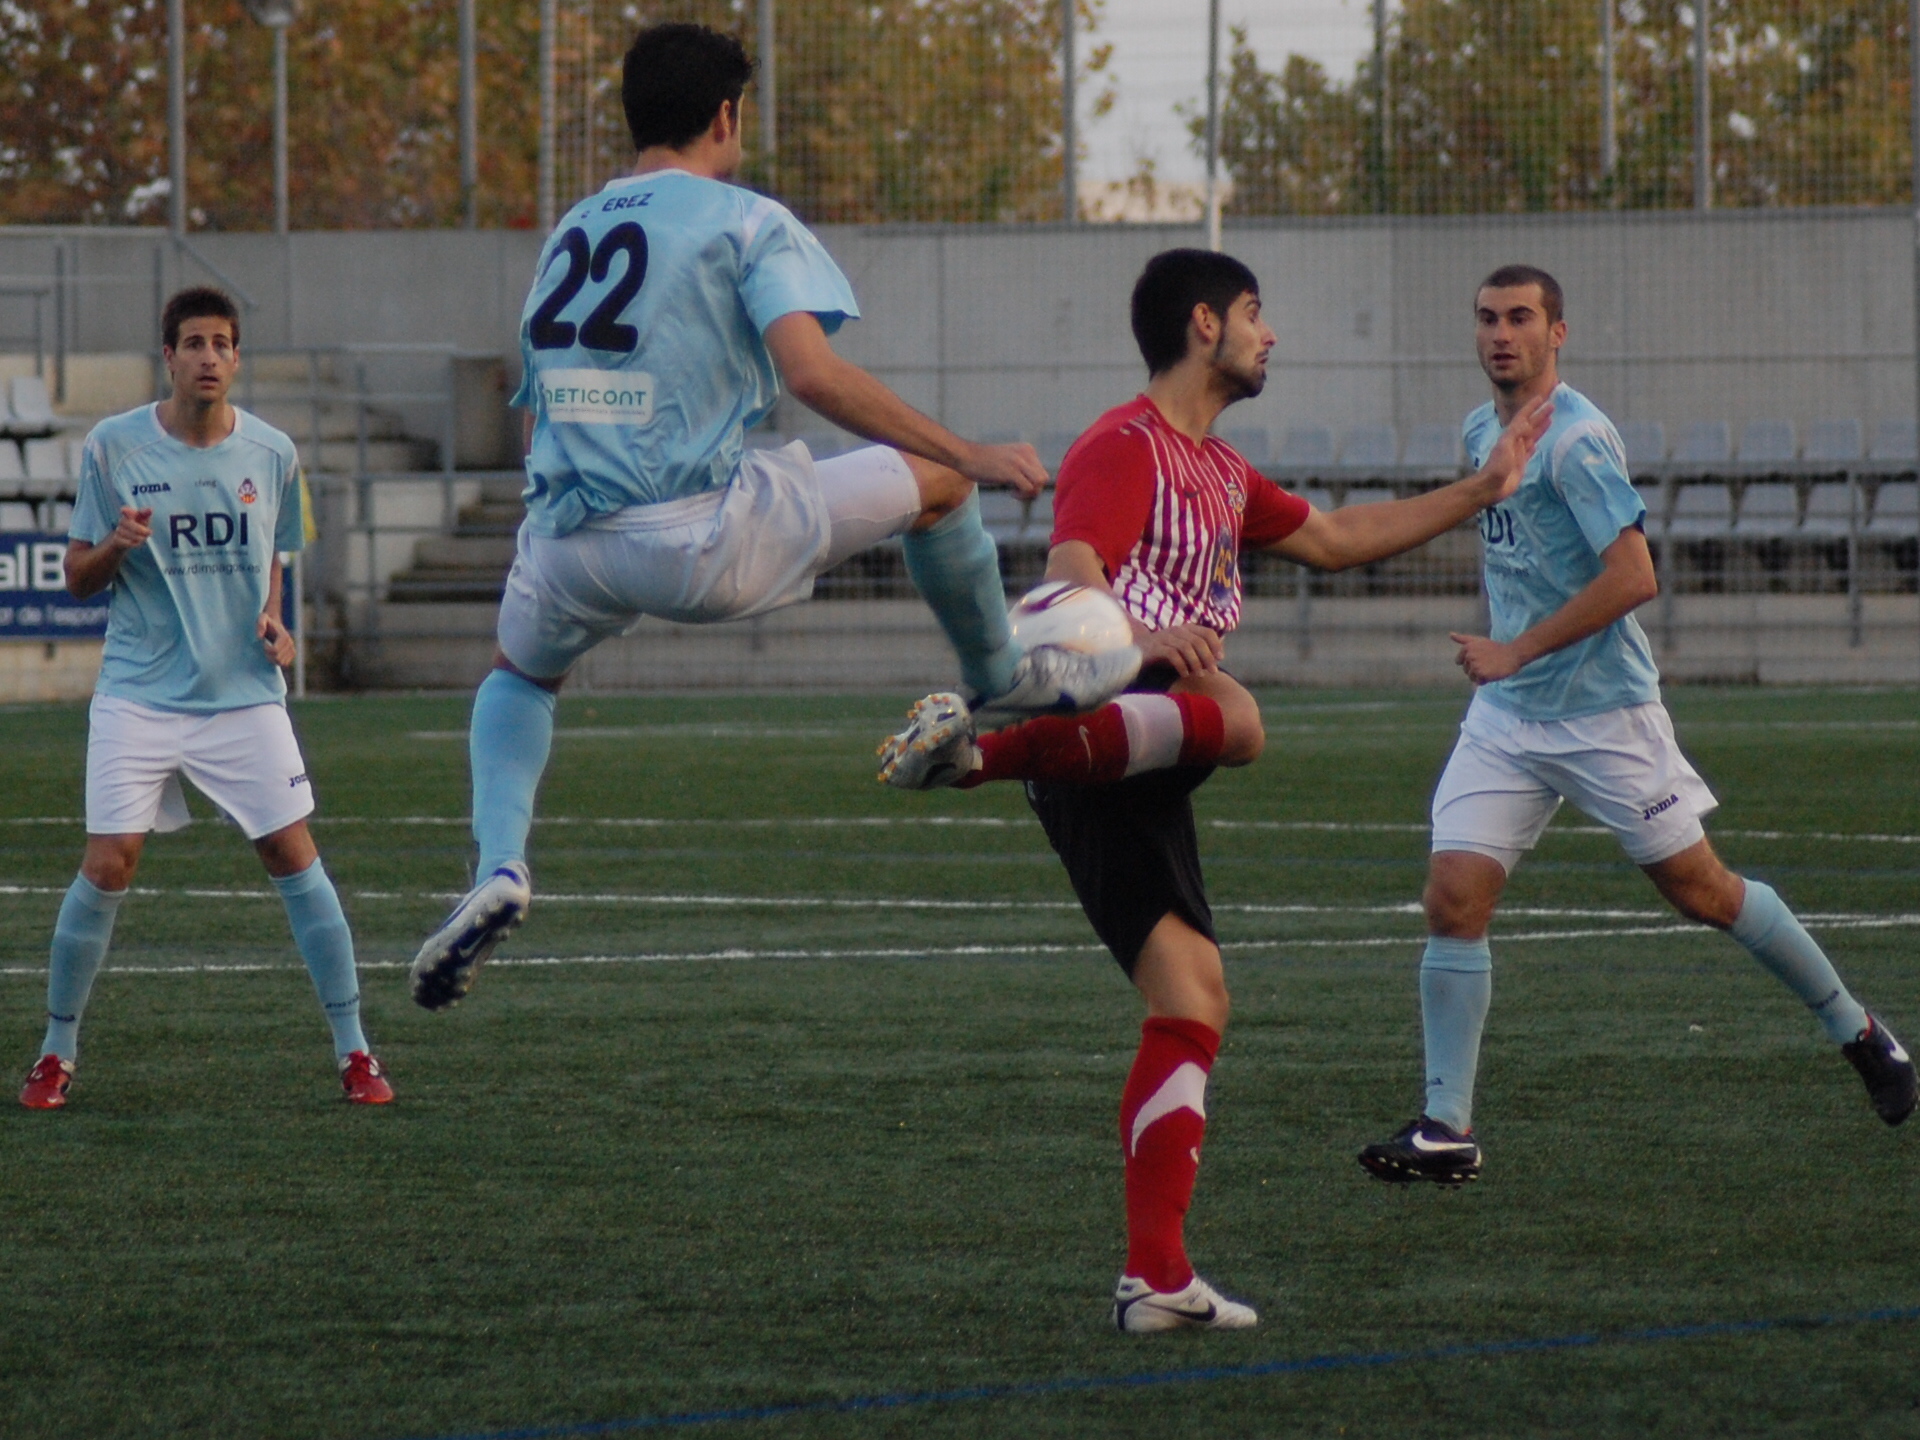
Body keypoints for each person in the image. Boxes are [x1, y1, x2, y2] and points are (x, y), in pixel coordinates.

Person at [879, 249, 1550, 1331]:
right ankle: (979, 758)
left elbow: (1335, 540)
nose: (1268, 333)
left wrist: (1481, 490)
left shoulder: (1222, 471)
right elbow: (1072, 569)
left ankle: (1156, 1281)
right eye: (1253, 313)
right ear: (1205, 325)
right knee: (1240, 717)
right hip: (1095, 732)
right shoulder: (1125, 442)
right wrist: (1143, 640)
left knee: (1193, 1004)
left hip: (1143, 759)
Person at [408, 22, 1137, 1012]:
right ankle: (997, 677)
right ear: (726, 114)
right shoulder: (744, 219)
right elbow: (810, 373)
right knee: (937, 487)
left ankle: (500, 867)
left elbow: (536, 396)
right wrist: (967, 450)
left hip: (563, 537)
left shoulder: (570, 228)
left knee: (522, 676)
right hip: (697, 535)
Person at [1357, 263, 1915, 1185]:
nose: (1502, 333)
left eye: (1521, 318)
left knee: (1703, 891)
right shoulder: (1479, 429)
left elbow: (1634, 577)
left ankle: (1856, 1029)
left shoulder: (1578, 441)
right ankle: (1446, 1127)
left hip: (1603, 717)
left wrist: (1518, 647)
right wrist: (1512, 664)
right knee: (1452, 898)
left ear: (1557, 333)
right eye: (1488, 318)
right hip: (1507, 720)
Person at [18, 286, 392, 1110]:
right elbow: (78, 577)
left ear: (236, 357)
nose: (210, 357)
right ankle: (56, 1050)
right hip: (139, 693)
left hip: (242, 697)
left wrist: (276, 624)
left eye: (224, 343)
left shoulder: (273, 452)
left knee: (292, 854)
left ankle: (356, 1050)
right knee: (109, 862)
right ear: (169, 357)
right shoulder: (115, 448)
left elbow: (274, 559)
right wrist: (116, 543)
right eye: (194, 343)